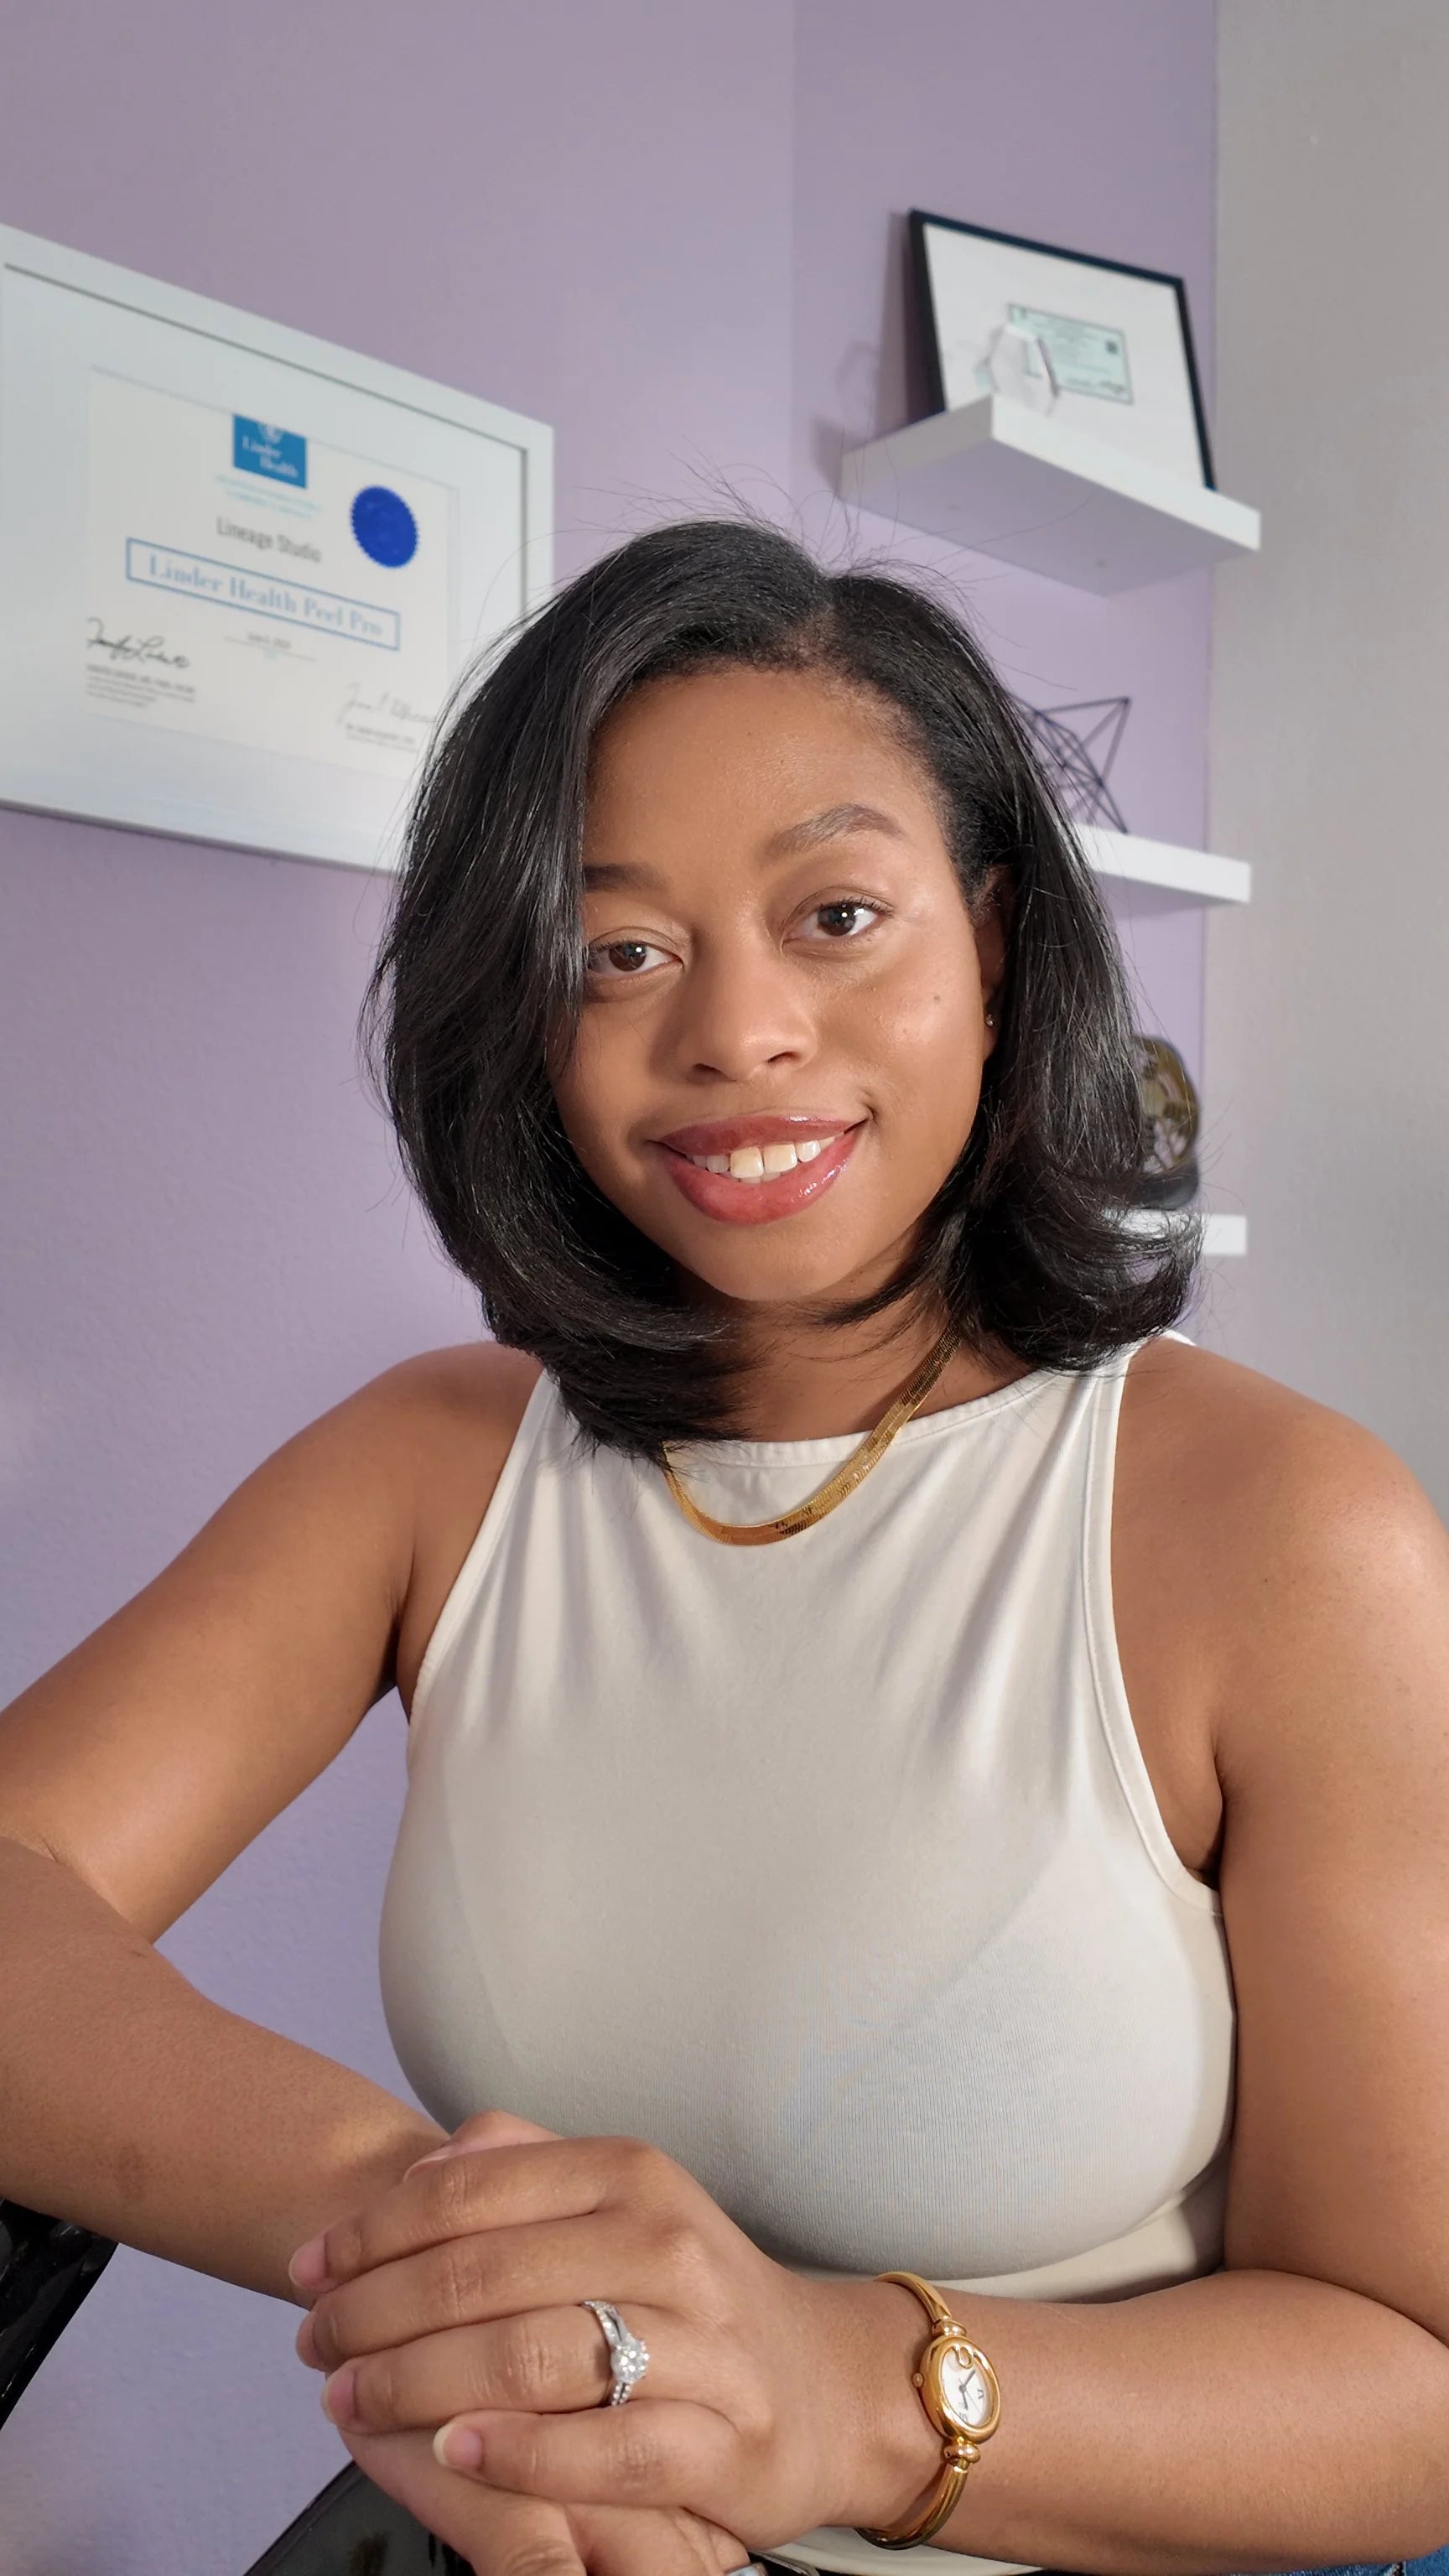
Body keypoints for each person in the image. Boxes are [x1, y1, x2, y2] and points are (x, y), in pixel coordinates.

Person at [2, 518, 1446, 2576]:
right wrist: (486, 2268)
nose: (737, 1034)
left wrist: (834, 2394)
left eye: (838, 913)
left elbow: (1417, 2381)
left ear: (999, 944)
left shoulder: (1288, 1532)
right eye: (620, 951)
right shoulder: (433, 1462)